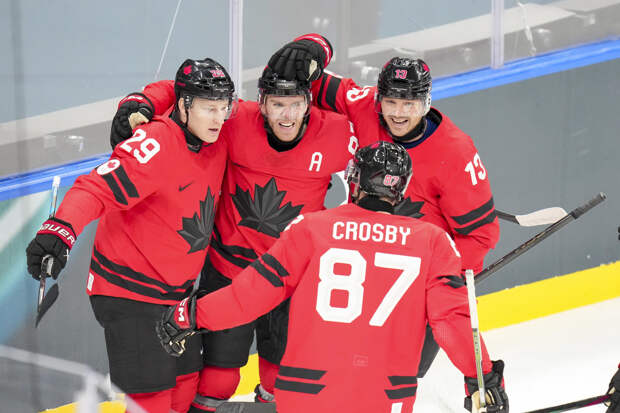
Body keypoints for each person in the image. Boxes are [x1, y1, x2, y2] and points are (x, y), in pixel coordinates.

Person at [156, 141, 509, 413]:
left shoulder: (312, 228)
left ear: (354, 180)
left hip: (306, 393)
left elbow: (249, 296)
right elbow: (452, 322)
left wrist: (191, 315)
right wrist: (483, 378)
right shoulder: (432, 242)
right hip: (386, 397)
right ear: (401, 190)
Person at [109, 60, 357, 410]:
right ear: (261, 103)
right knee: (217, 380)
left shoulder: (336, 133)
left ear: (309, 104)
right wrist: (141, 102)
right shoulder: (234, 120)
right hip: (229, 274)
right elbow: (185, 89)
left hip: (291, 280)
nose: (287, 115)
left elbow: (378, 113)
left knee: (280, 381)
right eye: (277, 104)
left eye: (296, 104)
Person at [268, 33, 501, 378]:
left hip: (410, 276)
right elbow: (303, 72)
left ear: (426, 102)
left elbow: (481, 237)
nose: (398, 113)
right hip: (360, 265)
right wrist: (315, 45)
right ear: (378, 99)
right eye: (391, 102)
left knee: (397, 373)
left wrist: (438, 278)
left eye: (409, 104)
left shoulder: (456, 153)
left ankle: (481, 377)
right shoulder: (364, 106)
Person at [25, 57, 236, 413]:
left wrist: (143, 99)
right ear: (184, 106)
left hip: (177, 295)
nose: (218, 118)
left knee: (186, 390)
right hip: (130, 293)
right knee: (152, 403)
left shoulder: (216, 135)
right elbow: (95, 188)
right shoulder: (156, 144)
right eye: (208, 108)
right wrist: (61, 229)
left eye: (223, 107)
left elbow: (169, 87)